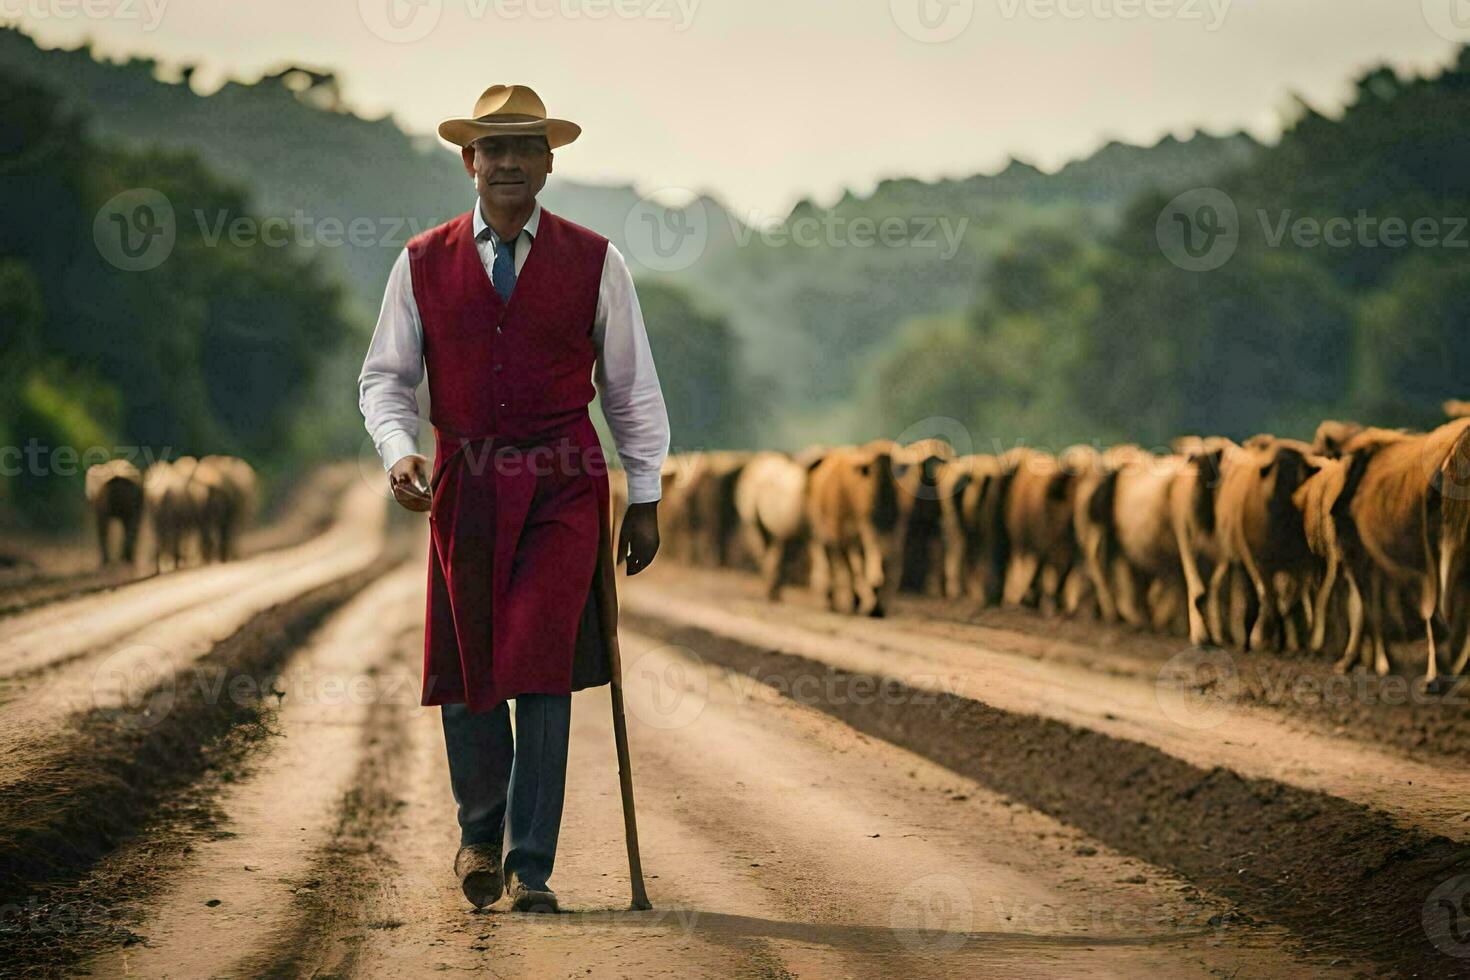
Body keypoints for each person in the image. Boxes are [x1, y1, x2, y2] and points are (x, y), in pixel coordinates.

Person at [357, 83, 670, 913]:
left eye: (523, 148)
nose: (506, 163)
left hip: (565, 481)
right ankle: (477, 837)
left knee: (538, 665)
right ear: (469, 161)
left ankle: (531, 866)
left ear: (548, 162)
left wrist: (646, 494)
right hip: (466, 481)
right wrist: (399, 453)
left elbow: (631, 388)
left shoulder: (597, 261)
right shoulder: (422, 261)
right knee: (468, 668)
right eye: (491, 149)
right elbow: (385, 379)